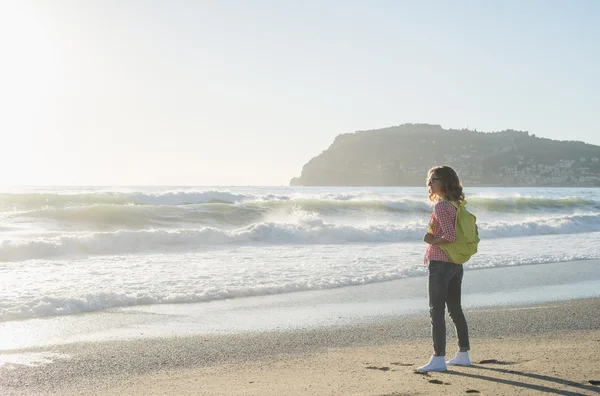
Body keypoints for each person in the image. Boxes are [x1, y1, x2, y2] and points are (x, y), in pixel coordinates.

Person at [417, 165, 471, 372]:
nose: (430, 184)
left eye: (434, 179)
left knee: (436, 311)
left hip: (441, 264)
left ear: (445, 181)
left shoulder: (441, 207)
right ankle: (463, 354)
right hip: (456, 263)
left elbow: (449, 236)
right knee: (455, 309)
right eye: (428, 180)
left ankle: (438, 358)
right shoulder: (457, 205)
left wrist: (430, 239)